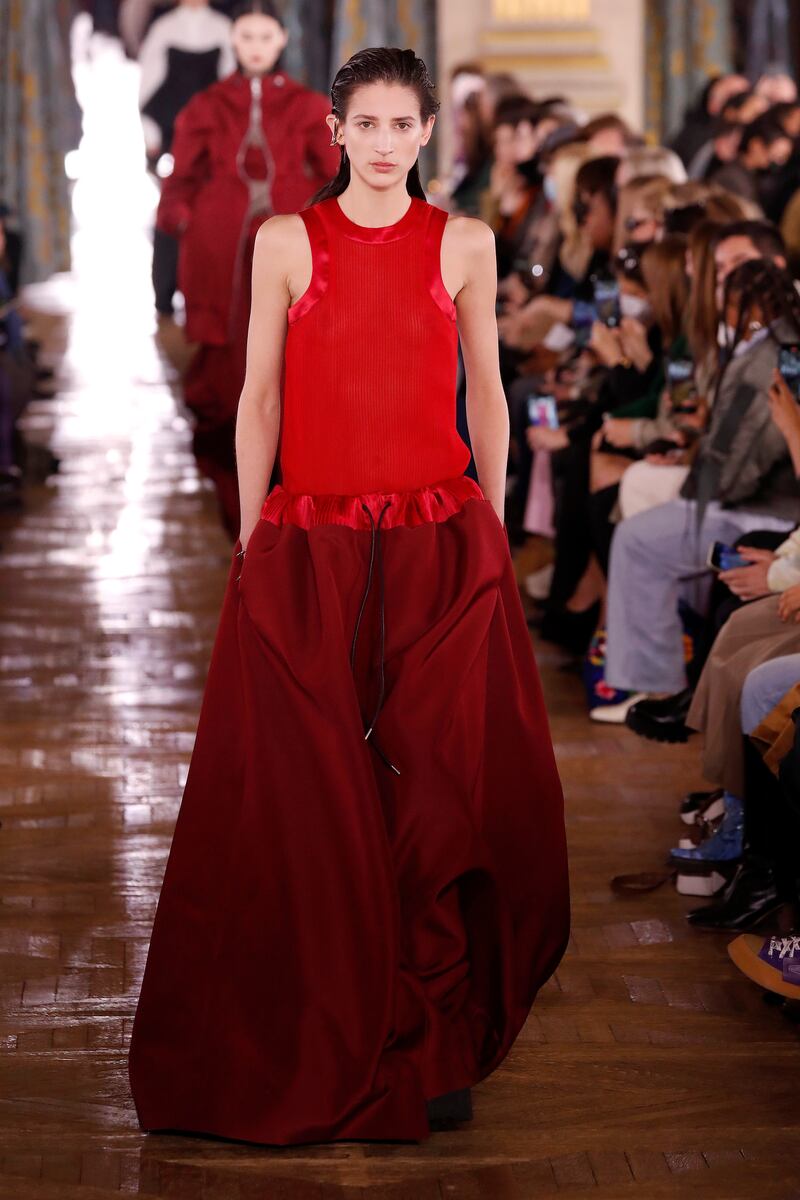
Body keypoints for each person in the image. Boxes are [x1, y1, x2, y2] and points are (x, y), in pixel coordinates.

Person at [128, 45, 570, 1145]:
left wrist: (494, 530)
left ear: (427, 134)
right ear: (334, 132)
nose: (380, 143)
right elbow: (260, 395)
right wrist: (251, 536)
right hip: (312, 546)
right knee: (311, 794)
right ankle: (327, 1011)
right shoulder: (287, 241)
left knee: (428, 791)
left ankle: (427, 1033)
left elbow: (486, 395)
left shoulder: (463, 241)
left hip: (434, 543)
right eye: (361, 125)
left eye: (398, 125)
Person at [156, 0, 339, 537]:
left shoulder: (307, 106)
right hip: (220, 253)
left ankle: (291, 487)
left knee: (293, 360)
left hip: (288, 244)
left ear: (281, 39)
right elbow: (180, 178)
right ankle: (239, 495)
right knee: (224, 373)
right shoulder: (207, 105)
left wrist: (325, 223)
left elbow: (332, 171)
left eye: (265, 36)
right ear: (232, 40)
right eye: (246, 36)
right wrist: (187, 217)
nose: (256, 46)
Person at [138, 0, 237, 318]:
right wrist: (152, 140)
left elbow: (230, 84)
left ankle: (205, 294)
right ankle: (164, 293)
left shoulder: (222, 29)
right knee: (170, 211)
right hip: (172, 136)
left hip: (213, 138)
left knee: (211, 212)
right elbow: (147, 87)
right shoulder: (163, 29)